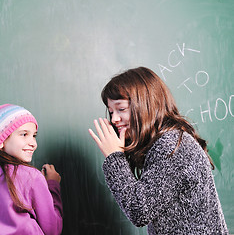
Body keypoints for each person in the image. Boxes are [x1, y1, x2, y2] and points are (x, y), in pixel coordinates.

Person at [88, 67, 228, 234]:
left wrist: (114, 157)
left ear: (146, 105)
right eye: (111, 112)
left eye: (121, 109)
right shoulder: (166, 142)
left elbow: (139, 210)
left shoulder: (173, 146)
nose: (114, 119)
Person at [0, 104, 63, 235]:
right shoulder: (31, 177)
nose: (33, 143)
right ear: (1, 140)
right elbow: (52, 230)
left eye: (34, 135)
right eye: (24, 134)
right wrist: (53, 185)